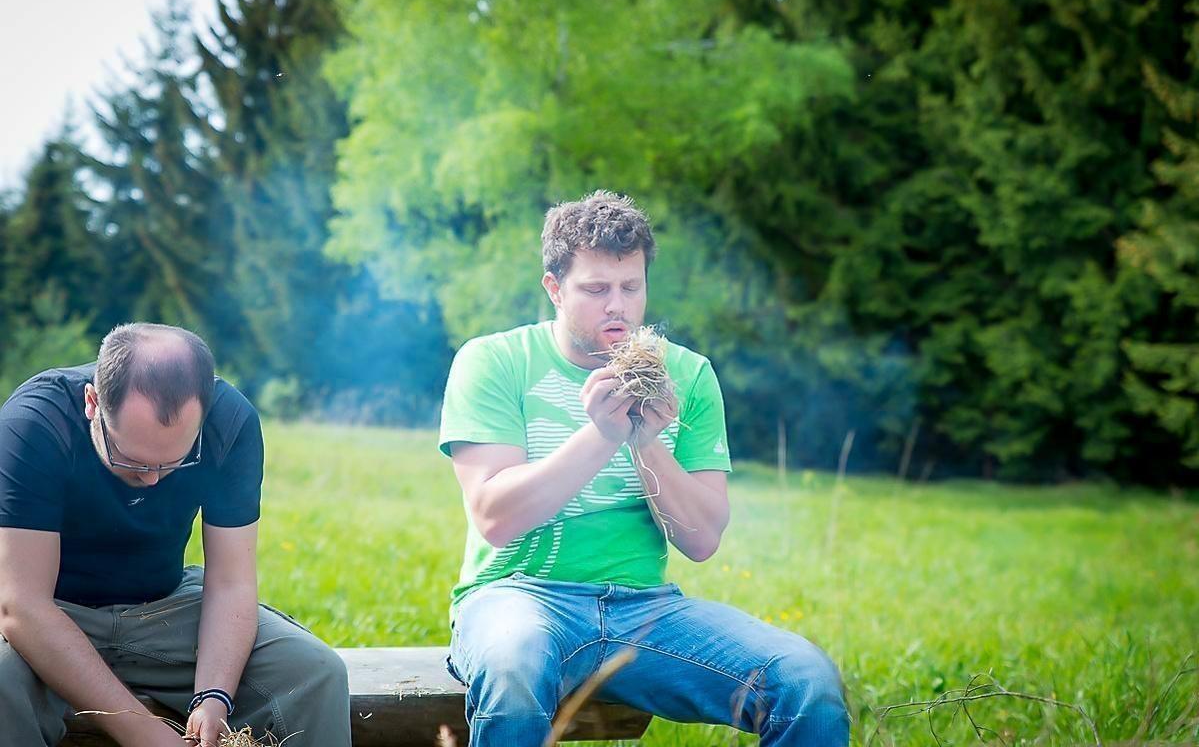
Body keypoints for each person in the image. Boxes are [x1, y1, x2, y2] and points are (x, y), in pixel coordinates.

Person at [438, 191, 850, 745]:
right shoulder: (494, 361)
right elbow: (495, 517)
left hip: (644, 611)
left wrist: (645, 442)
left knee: (806, 678)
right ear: (554, 289)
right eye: (596, 290)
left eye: (631, 288)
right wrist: (600, 435)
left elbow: (701, 539)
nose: (618, 307)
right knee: (514, 665)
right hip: (517, 597)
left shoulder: (688, 375)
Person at [0, 323, 350, 747]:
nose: (152, 480)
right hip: (52, 612)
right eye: (132, 460)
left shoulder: (228, 422)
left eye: (174, 462)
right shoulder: (36, 423)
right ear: (92, 402)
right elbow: (22, 607)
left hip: (165, 609)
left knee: (316, 673)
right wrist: (142, 730)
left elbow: (231, 582)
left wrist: (214, 697)